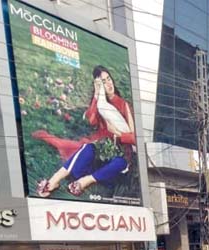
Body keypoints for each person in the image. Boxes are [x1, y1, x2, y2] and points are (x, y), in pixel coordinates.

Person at [33, 66, 136, 198]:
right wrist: (96, 96)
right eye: (103, 82)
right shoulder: (100, 102)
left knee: (119, 162)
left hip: (117, 157)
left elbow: (134, 138)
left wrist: (118, 134)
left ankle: (84, 182)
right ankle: (53, 181)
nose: (108, 83)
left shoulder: (123, 104)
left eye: (108, 79)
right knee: (88, 148)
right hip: (98, 152)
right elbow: (91, 121)